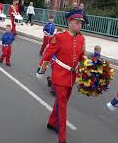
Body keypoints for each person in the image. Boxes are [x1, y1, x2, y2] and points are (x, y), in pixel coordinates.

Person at [36, 10, 86, 143]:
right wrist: (41, 69)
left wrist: (85, 67)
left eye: (81, 23)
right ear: (69, 23)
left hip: (72, 77)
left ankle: (52, 123)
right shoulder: (60, 37)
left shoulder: (82, 38)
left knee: (60, 102)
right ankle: (62, 138)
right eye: (77, 23)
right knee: (63, 108)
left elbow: (81, 57)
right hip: (59, 76)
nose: (79, 25)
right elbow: (48, 53)